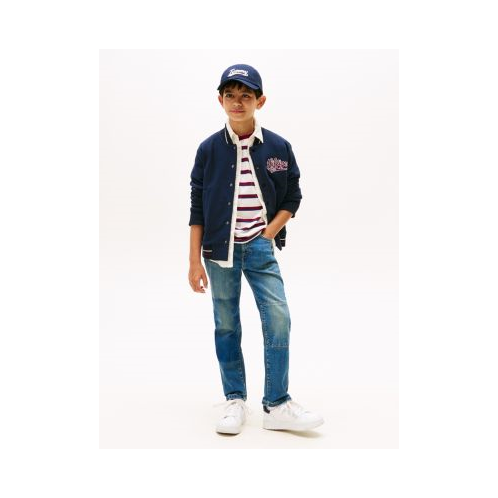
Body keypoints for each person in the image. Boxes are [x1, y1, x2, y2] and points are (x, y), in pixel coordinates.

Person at [188, 64, 323, 434]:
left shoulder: (278, 147)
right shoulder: (208, 150)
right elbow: (197, 206)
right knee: (226, 324)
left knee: (278, 318)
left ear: (260, 101)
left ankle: (277, 404)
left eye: (245, 95)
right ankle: (234, 399)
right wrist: (193, 261)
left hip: (260, 248)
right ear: (220, 100)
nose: (237, 102)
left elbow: (292, 195)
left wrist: (269, 233)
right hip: (218, 252)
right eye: (230, 95)